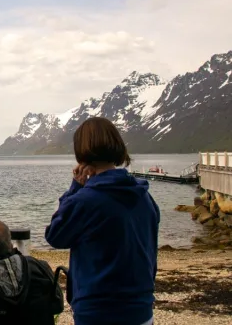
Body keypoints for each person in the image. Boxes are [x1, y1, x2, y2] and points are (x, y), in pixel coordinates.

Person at [45, 117, 159, 325]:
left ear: (82, 153)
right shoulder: (144, 196)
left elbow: (55, 235)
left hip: (98, 311)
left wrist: (75, 188)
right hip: (141, 308)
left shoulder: (85, 200)